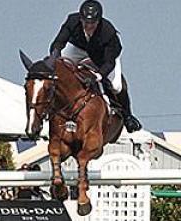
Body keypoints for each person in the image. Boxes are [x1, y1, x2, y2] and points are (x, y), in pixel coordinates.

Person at [50, 0, 142, 133]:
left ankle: (128, 117)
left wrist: (96, 76)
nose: (88, 26)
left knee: (117, 86)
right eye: (86, 22)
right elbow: (58, 42)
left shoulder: (108, 32)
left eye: (92, 23)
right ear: (81, 19)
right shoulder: (72, 21)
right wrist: (55, 56)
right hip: (78, 49)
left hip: (103, 57)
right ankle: (51, 108)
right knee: (59, 68)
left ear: (98, 21)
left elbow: (109, 62)